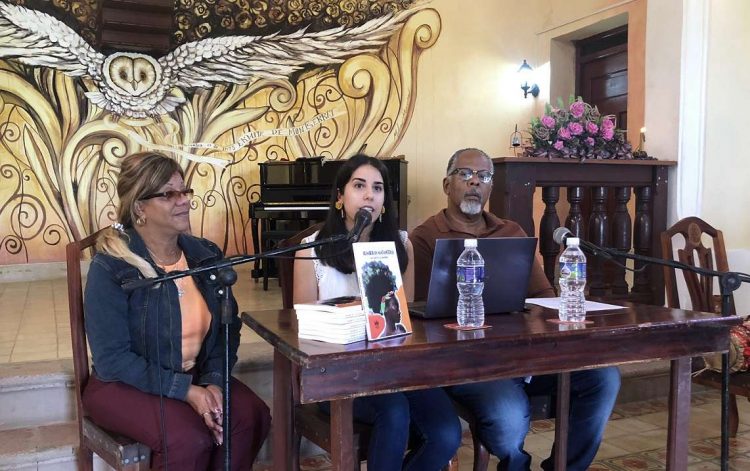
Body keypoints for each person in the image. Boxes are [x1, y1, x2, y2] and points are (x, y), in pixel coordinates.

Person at [410, 148, 621, 471]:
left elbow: (544, 296)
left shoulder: (512, 232)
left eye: (483, 177)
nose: (474, 183)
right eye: (465, 174)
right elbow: (424, 316)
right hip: (468, 365)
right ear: (446, 184)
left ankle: (566, 467)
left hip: (527, 356)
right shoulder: (424, 237)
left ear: (491, 187)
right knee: (508, 417)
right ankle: (517, 466)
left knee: (603, 378)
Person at [83, 152, 271, 470]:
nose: (183, 201)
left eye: (185, 191)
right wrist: (185, 392)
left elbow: (228, 328)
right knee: (187, 438)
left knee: (248, 415)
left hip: (194, 375)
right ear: (140, 208)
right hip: (122, 386)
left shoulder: (204, 255)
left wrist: (213, 383)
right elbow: (112, 359)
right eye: (170, 194)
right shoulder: (111, 266)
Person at [293, 153, 461, 470]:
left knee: (446, 433)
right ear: (340, 198)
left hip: (395, 368)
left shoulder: (401, 245)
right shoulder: (310, 250)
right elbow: (301, 330)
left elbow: (405, 320)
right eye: (359, 186)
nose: (370, 194)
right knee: (394, 411)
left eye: (378, 188)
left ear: (384, 202)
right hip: (337, 373)